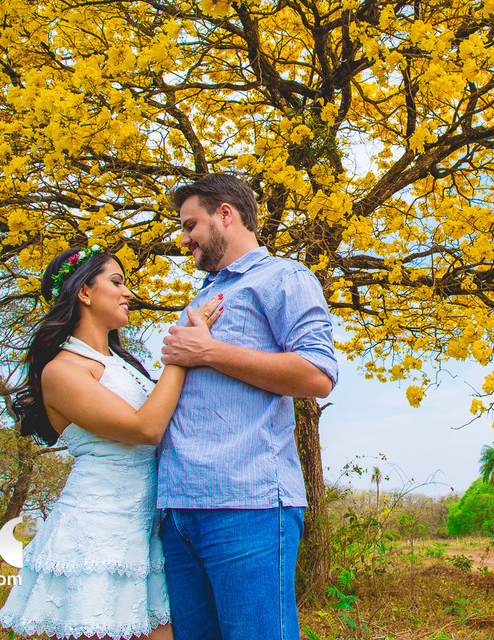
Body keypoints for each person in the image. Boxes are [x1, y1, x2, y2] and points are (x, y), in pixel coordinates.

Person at [0, 245, 222, 640]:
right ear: (84, 292)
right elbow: (145, 428)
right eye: (116, 282)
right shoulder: (62, 371)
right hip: (96, 533)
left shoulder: (122, 363)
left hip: (142, 530)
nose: (128, 292)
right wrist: (182, 351)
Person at [158, 173, 339, 640]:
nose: (184, 240)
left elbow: (318, 374)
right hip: (179, 507)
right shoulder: (203, 295)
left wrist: (209, 352)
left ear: (226, 214)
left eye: (190, 225)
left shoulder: (284, 276)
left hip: (246, 504)